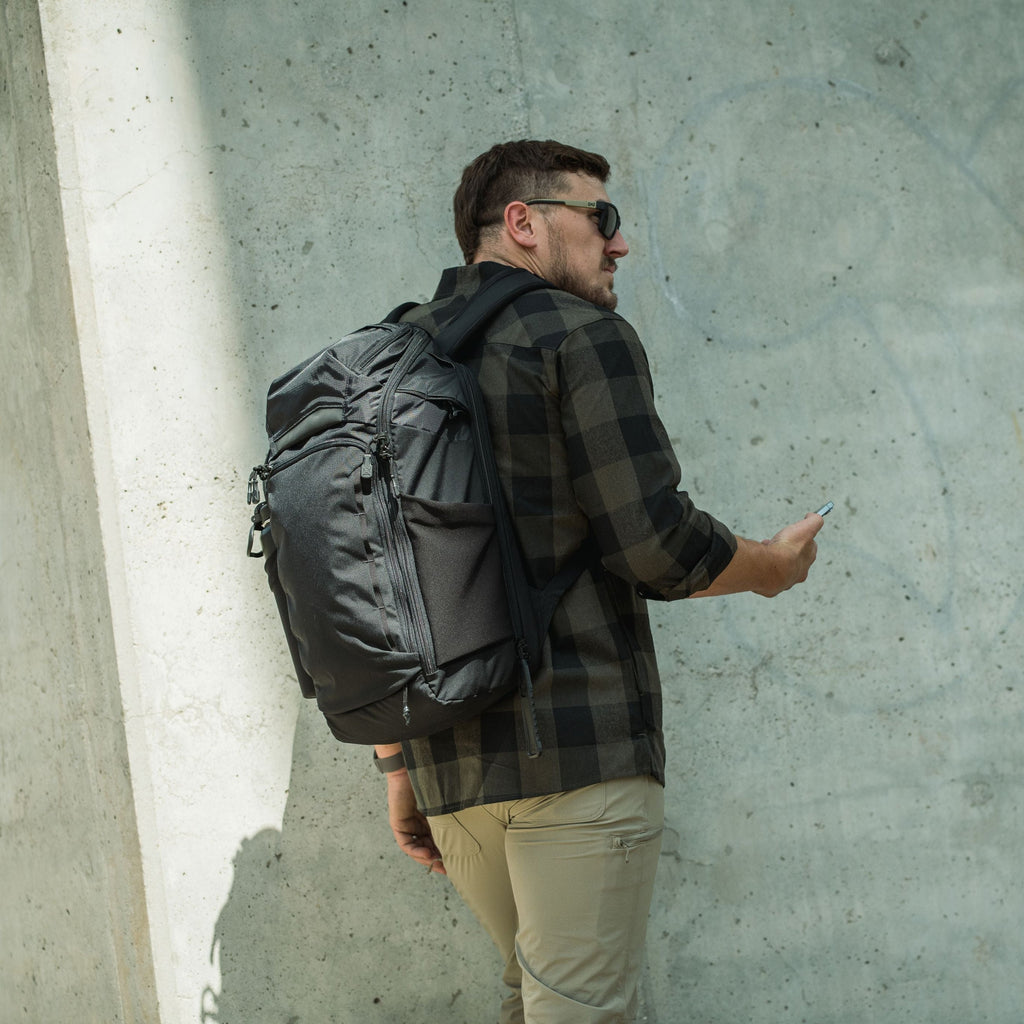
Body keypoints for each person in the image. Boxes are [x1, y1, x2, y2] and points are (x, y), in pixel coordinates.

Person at [371, 139, 823, 1023]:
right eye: (601, 218)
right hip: (578, 755)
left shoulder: (392, 359)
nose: (619, 243)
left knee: (532, 1002)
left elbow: (369, 581)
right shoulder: (578, 335)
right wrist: (771, 567)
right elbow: (655, 546)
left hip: (448, 772)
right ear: (523, 222)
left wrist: (397, 768)